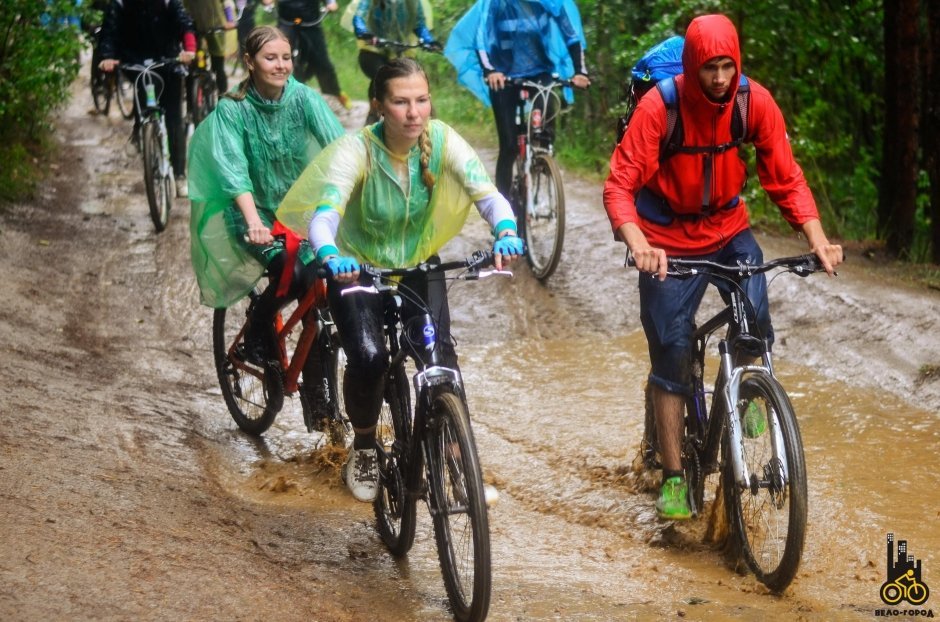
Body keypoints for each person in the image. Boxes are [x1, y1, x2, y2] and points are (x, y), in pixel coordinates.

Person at [603, 14, 844, 520]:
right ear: (692, 66)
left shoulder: (751, 101)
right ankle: (672, 476)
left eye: (726, 66)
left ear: (737, 64)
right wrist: (638, 241)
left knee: (754, 322)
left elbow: (785, 175)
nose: (718, 78)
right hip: (665, 239)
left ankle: (752, 395)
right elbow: (620, 186)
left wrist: (817, 238)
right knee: (670, 351)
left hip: (729, 229)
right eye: (709, 67)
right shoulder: (659, 107)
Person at [277, 58, 525, 502]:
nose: (414, 112)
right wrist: (331, 253)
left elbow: (487, 194)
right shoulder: (357, 150)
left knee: (439, 355)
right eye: (401, 102)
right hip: (355, 266)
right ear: (379, 105)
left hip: (416, 264)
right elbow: (324, 216)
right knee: (370, 358)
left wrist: (505, 230)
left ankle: (455, 465)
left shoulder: (443, 140)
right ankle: (367, 444)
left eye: (422, 100)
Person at [188, 25, 344, 418]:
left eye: (286, 58)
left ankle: (316, 391)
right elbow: (232, 170)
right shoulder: (232, 109)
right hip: (250, 213)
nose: (281, 65)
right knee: (299, 273)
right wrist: (254, 219)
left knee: (324, 282)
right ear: (249, 62)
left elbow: (340, 147)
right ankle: (256, 334)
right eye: (270, 58)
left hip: (299, 211)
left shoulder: (304, 98)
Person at [444, 0, 590, 205]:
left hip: (540, 72)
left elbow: (572, 36)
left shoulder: (552, 2)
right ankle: (502, 214)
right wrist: (490, 71)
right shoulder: (494, 4)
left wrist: (580, 72)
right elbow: (481, 39)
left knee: (546, 115)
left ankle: (542, 157)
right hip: (503, 76)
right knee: (509, 146)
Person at [98, 0, 197, 197]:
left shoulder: (169, 2)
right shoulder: (120, 4)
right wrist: (107, 56)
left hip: (168, 61)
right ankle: (139, 130)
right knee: (143, 97)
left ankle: (179, 175)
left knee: (174, 120)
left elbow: (185, 23)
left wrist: (189, 49)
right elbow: (109, 31)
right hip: (135, 61)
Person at [346, 0, 441, 123]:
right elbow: (359, 16)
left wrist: (428, 40)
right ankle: (373, 114)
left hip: (400, 49)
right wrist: (363, 32)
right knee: (380, 74)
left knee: (415, 76)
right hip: (373, 48)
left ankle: (430, 121)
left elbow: (419, 23)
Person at [274, 0, 350, 109]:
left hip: (311, 23)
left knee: (322, 61)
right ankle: (274, 94)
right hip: (286, 21)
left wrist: (331, 4)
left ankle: (335, 94)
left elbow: (331, 2)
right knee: (278, 55)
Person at [183, 0, 237, 95]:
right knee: (193, 67)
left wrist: (230, 20)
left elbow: (227, 2)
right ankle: (193, 104)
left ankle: (222, 97)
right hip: (195, 29)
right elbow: (183, 8)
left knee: (218, 67)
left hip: (217, 28)